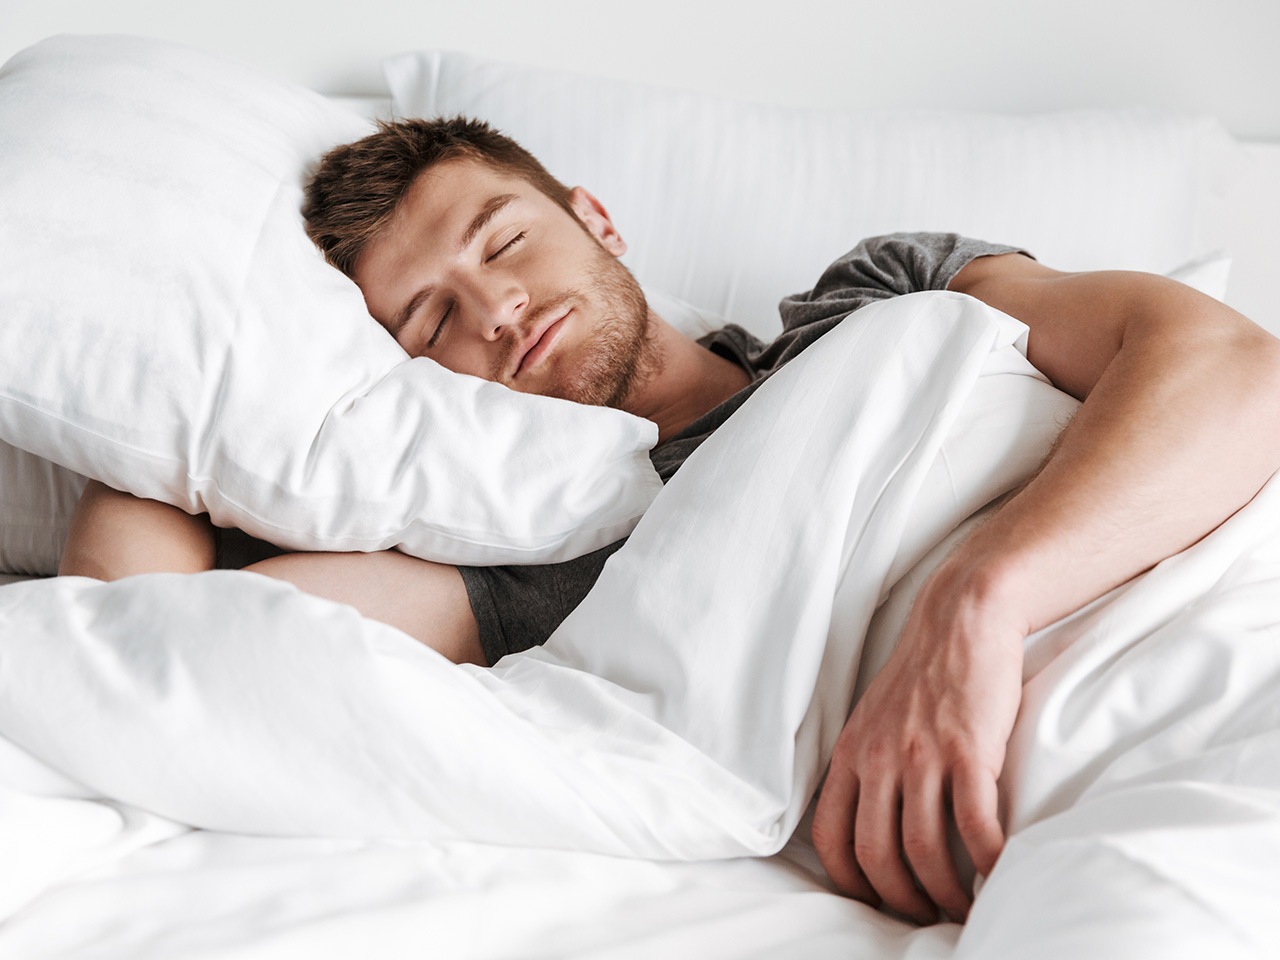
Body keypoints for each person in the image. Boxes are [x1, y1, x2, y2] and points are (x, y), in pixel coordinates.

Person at [59, 117, 1280, 925]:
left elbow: (1227, 367)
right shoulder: (547, 563)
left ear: (594, 218)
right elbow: (149, 635)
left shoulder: (876, 297)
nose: (495, 308)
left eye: (505, 241)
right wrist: (183, 407)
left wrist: (982, 598)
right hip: (1082, 806)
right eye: (429, 323)